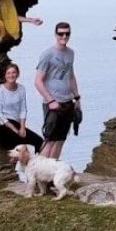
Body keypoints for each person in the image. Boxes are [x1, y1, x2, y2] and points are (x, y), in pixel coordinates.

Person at [34, 22, 80, 160]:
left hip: (67, 101)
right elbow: (38, 81)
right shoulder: (47, 54)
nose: (64, 36)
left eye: (67, 33)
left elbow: (70, 76)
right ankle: (40, 174)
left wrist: (77, 98)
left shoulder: (71, 53)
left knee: (60, 140)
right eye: (61, 33)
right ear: (55, 34)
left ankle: (52, 173)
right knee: (49, 139)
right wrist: (51, 100)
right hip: (53, 103)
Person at [0, 63, 43, 155]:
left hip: (16, 123)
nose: (11, 75)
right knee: (17, 142)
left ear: (18, 74)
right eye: (8, 73)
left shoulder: (21, 89)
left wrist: (22, 128)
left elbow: (23, 109)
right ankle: (19, 165)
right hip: (2, 124)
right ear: (5, 75)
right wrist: (15, 130)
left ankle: (35, 165)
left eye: (14, 72)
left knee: (39, 141)